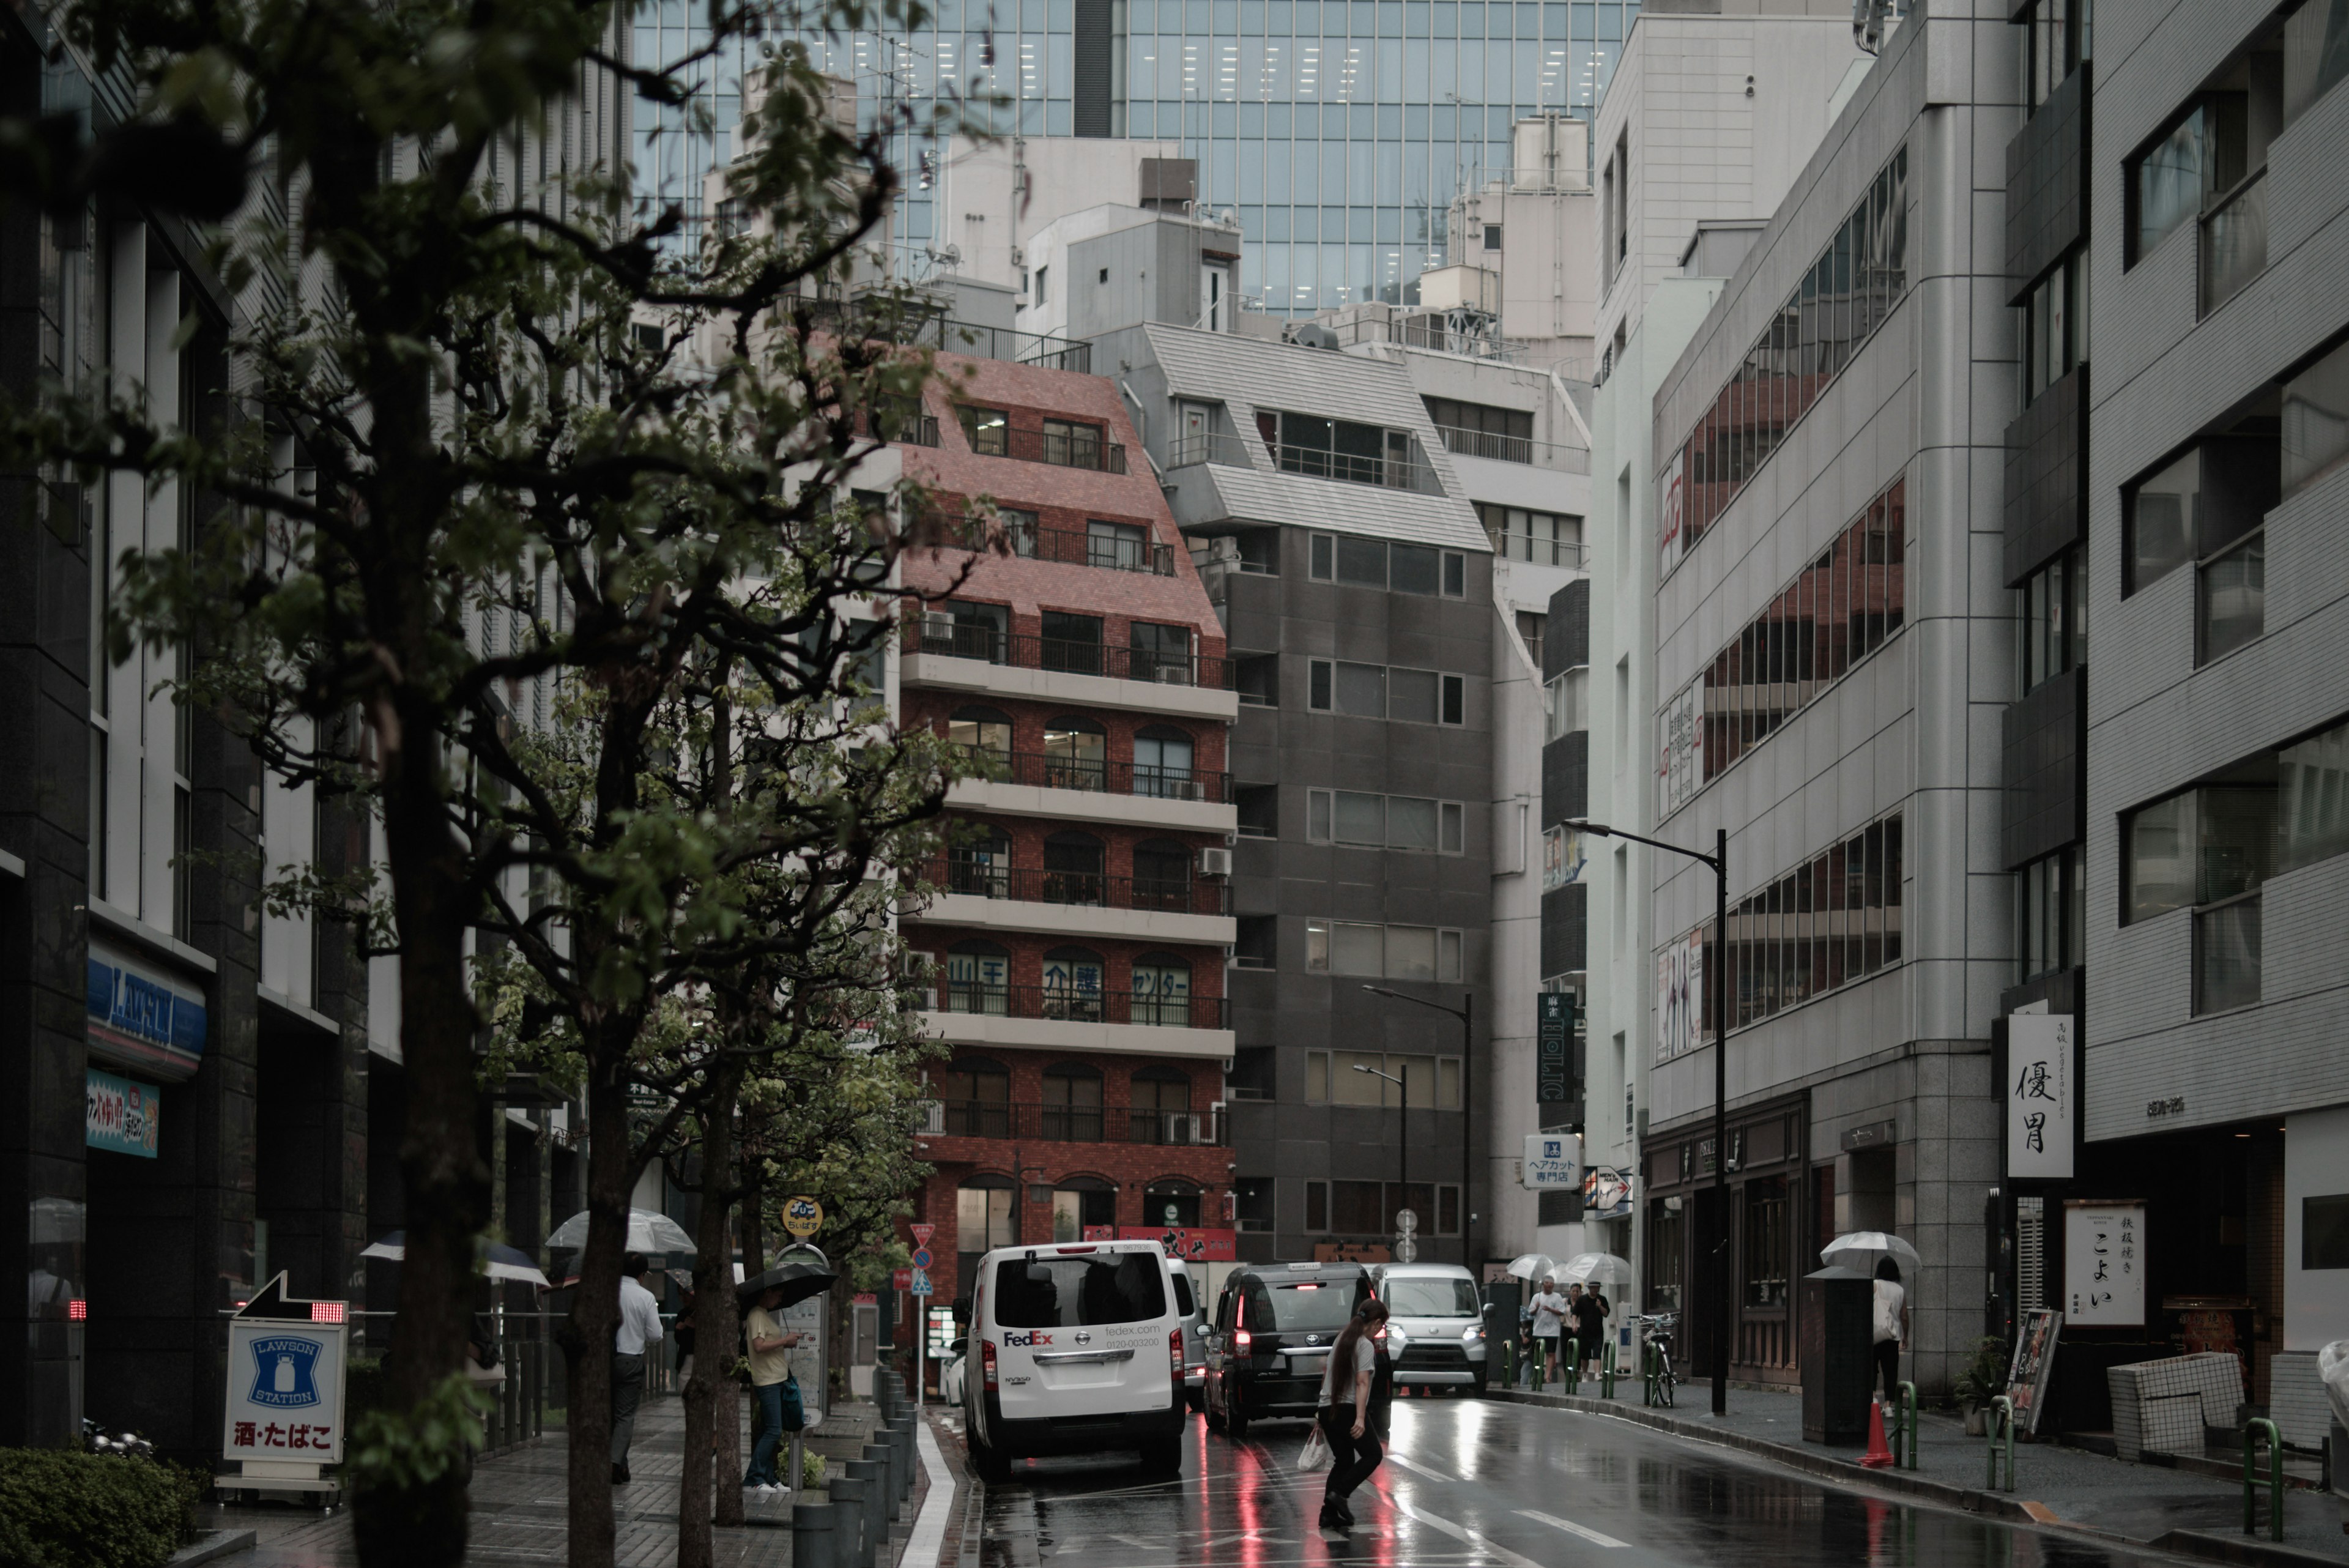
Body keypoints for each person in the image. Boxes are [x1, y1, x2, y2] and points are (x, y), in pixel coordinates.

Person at [1316, 1298, 1391, 1531]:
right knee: (1373, 1454)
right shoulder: (1365, 1345)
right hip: (1347, 1409)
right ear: (1377, 1323)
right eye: (1382, 1326)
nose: (1381, 1330)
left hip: (1327, 1408)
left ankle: (1327, 1515)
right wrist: (1360, 1417)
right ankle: (1340, 1494)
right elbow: (1361, 1383)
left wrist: (1320, 1413)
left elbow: (1327, 1375)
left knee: (1344, 1461)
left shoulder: (1342, 1339)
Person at [743, 1283, 807, 1498]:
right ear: (767, 1292)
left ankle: (768, 1477)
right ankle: (754, 1478)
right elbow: (759, 1346)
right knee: (773, 1430)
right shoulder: (757, 1315)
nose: (779, 1300)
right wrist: (784, 1341)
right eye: (777, 1295)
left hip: (776, 1378)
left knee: (769, 1430)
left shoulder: (763, 1314)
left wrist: (785, 1342)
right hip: (768, 1380)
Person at [613, 1252, 665, 1485]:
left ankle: (621, 1465)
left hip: (603, 1360)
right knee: (624, 1417)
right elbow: (656, 1334)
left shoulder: (607, 1291)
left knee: (608, 1414)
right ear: (642, 1275)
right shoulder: (645, 1297)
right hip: (631, 1360)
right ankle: (614, 1465)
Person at [1872, 1258, 1908, 1403]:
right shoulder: (1900, 1290)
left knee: (1871, 1368)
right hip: (1893, 1336)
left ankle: (1873, 1398)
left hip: (1875, 1333)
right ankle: (1888, 1405)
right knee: (1891, 1371)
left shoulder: (1874, 1285)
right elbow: (1904, 1316)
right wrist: (1906, 1336)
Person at [1527, 1277, 1570, 1384]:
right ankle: (1539, 1373)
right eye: (1547, 1283)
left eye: (1551, 1283)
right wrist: (1537, 1307)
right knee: (1537, 1353)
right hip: (1538, 1330)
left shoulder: (1557, 1297)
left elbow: (1562, 1312)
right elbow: (1531, 1312)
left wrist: (1550, 1309)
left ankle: (1548, 1377)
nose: (1549, 1285)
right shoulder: (1537, 1297)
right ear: (1543, 1284)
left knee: (1551, 1353)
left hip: (1552, 1330)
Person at [1578, 1284, 1611, 1380]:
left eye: (1597, 1287)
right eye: (1593, 1287)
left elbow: (1606, 1314)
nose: (1595, 1289)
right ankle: (1585, 1374)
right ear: (1589, 1288)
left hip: (1598, 1332)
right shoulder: (1582, 1300)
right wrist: (1573, 1324)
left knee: (1597, 1352)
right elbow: (1575, 1313)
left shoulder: (1602, 1299)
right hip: (1584, 1331)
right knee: (1585, 1355)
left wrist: (1600, 1306)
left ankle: (1597, 1374)